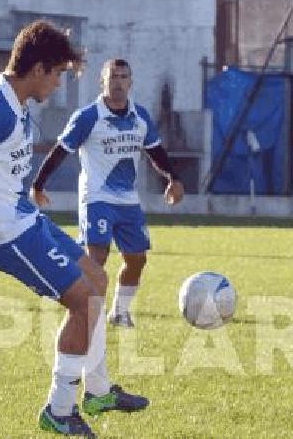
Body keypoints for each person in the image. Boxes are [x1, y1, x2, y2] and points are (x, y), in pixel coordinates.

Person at [0, 21, 148, 438]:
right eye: (59, 73)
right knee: (84, 303)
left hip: (25, 218)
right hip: (4, 233)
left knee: (98, 279)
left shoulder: (15, 102)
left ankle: (96, 391)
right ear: (39, 68)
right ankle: (59, 410)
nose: (60, 83)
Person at [30, 58, 184, 329]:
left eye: (124, 77)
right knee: (96, 259)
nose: (119, 82)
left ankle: (120, 312)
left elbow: (155, 151)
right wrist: (39, 184)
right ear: (102, 82)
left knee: (137, 260)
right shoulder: (88, 117)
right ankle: (88, 315)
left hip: (128, 201)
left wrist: (173, 178)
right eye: (113, 77)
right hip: (97, 198)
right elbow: (60, 151)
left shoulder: (141, 117)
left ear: (131, 82)